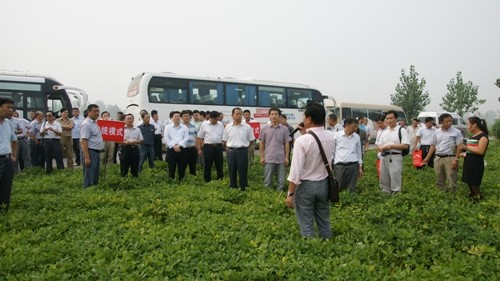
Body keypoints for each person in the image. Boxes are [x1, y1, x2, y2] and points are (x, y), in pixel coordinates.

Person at [285, 102, 334, 239]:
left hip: (306, 186)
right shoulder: (331, 137)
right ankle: (328, 243)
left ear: (309, 119)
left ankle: (310, 248)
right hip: (324, 184)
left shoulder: (302, 141)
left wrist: (290, 194)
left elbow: (296, 171)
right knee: (324, 218)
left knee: (306, 222)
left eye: (304, 117)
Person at [423, 113, 463, 192]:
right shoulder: (436, 132)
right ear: (441, 122)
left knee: (451, 178)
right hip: (438, 158)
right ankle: (441, 195)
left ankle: (453, 196)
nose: (449, 123)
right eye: (447, 121)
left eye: (450, 121)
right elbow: (433, 145)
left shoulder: (456, 132)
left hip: (450, 158)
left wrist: (456, 159)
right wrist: (427, 157)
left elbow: (460, 146)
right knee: (439, 178)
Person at [376, 110, 410, 194]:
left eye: (391, 118)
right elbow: (379, 145)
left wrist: (391, 146)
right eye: (387, 118)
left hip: (395, 157)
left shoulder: (401, 130)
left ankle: (396, 195)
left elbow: (405, 145)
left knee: (395, 176)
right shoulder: (384, 132)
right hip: (384, 157)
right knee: (384, 177)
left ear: (396, 119)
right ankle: (386, 194)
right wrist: (381, 147)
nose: (389, 120)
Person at [223, 107, 255, 191]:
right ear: (232, 115)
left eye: (240, 114)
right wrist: (229, 148)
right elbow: (225, 140)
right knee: (232, 169)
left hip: (242, 151)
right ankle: (233, 186)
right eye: (236, 114)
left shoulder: (247, 127)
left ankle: (243, 186)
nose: (238, 116)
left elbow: (251, 140)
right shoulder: (228, 127)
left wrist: (245, 147)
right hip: (231, 151)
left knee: (243, 169)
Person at [259, 108, 290, 191]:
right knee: (267, 181)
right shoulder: (264, 129)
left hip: (281, 158)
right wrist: (262, 157)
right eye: (272, 114)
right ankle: (267, 196)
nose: (274, 116)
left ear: (279, 116)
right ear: (269, 116)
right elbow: (262, 143)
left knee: (281, 182)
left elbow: (287, 143)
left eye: (276, 114)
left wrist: (287, 157)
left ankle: (278, 196)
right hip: (269, 158)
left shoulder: (285, 129)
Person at [460, 116, 489, 200]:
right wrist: (465, 154)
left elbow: (480, 151)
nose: (467, 126)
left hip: (476, 163)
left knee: (474, 183)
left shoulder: (483, 136)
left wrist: (466, 147)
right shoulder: (473, 136)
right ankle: (472, 196)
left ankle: (478, 198)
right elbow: (472, 150)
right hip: (469, 162)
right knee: (469, 181)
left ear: (474, 125)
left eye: (468, 124)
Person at [332, 117, 363, 192]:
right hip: (340, 166)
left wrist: (360, 166)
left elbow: (359, 152)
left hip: (353, 166)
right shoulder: (336, 135)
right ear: (346, 125)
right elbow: (332, 152)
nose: (355, 129)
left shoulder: (356, 137)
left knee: (351, 188)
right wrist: (330, 165)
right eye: (354, 127)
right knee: (338, 187)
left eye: (357, 127)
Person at [80, 104, 104, 188]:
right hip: (90, 152)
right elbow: (84, 141)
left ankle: (94, 192)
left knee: (95, 174)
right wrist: (87, 157)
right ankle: (88, 192)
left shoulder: (94, 123)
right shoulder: (86, 124)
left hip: (96, 152)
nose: (97, 113)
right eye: (95, 111)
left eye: (98, 111)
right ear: (89, 112)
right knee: (89, 175)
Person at [197, 111, 224, 182]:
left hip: (218, 146)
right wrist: (199, 149)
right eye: (213, 119)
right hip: (208, 147)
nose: (215, 121)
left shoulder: (220, 124)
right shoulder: (204, 124)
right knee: (208, 164)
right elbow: (200, 137)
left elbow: (223, 136)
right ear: (210, 118)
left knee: (219, 163)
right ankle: (207, 180)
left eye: (216, 119)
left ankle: (220, 178)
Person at [0, 98, 17, 212]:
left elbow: (14, 140)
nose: (10, 110)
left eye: (12, 108)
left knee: (6, 188)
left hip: (7, 159)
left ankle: (3, 211)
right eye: (8, 107)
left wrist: (13, 155)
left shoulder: (8, 124)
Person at [164, 111, 188, 181]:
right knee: (171, 166)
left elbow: (186, 138)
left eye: (178, 116)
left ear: (180, 118)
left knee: (182, 166)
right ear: (172, 118)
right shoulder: (168, 127)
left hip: (182, 149)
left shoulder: (184, 127)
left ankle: (181, 180)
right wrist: (174, 146)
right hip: (171, 149)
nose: (177, 117)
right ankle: (171, 180)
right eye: (175, 116)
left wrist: (179, 145)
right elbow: (166, 138)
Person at [181, 110, 198, 176]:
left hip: (192, 149)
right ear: (181, 118)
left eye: (188, 116)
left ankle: (193, 180)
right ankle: (181, 180)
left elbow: (197, 137)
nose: (187, 117)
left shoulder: (193, 127)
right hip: (183, 149)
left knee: (193, 165)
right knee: (182, 165)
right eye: (185, 116)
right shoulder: (180, 127)